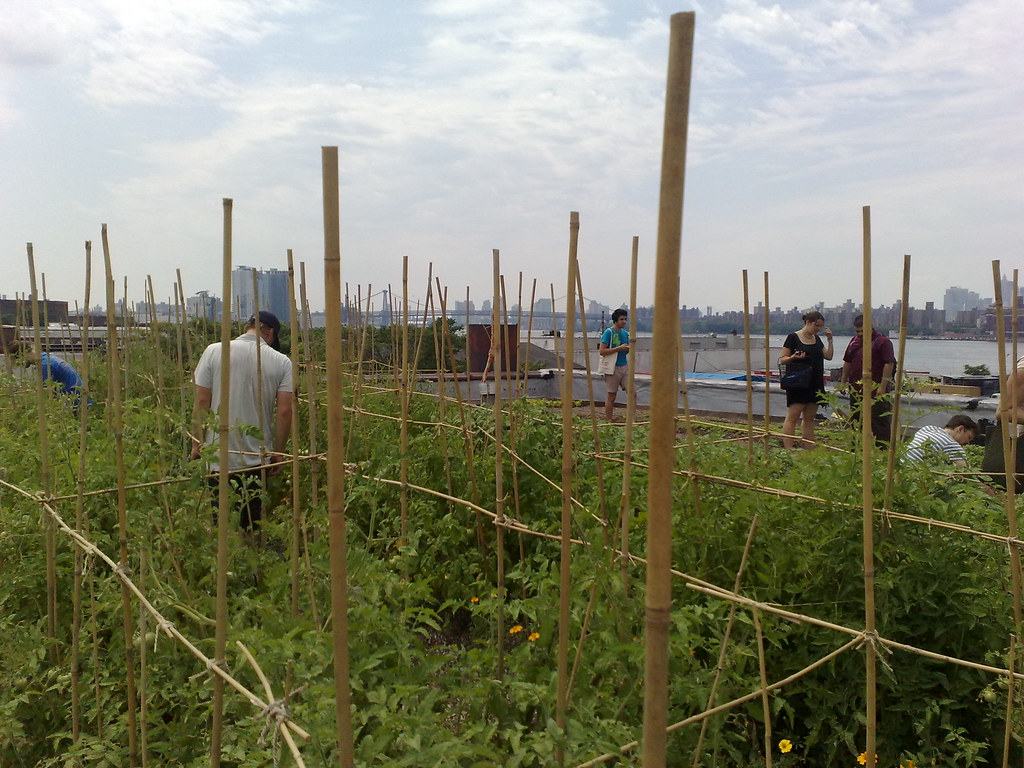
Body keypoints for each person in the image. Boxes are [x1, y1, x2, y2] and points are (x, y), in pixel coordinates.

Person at [191, 311, 293, 531]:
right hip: (257, 456)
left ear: (248, 327)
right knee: (251, 523)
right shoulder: (282, 361)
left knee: (220, 522)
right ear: (271, 333)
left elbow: (201, 401)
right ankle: (252, 559)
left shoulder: (213, 351)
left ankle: (223, 562)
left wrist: (196, 442)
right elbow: (285, 410)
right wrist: (279, 453)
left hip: (218, 453)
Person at [840, 315, 897, 445]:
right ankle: (857, 450)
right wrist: (843, 382)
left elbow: (889, 364)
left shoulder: (883, 342)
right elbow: (847, 361)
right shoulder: (854, 342)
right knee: (857, 421)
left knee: (880, 422)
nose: (860, 334)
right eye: (857, 331)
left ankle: (882, 451)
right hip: (856, 388)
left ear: (871, 327)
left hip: (876, 390)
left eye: (862, 331)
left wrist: (883, 386)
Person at [780, 311, 833, 448]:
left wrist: (830, 340)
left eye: (820, 326)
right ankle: (788, 448)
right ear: (808, 322)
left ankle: (809, 448)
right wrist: (793, 358)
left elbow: (828, 356)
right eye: (816, 325)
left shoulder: (817, 339)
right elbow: (783, 359)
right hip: (798, 383)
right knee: (793, 417)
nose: (818, 329)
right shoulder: (793, 337)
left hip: (815, 383)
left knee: (809, 419)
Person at [8, 341, 91, 407]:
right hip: (80, 400)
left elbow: (47, 394)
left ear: (22, 355)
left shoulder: (45, 365)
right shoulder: (47, 358)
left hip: (76, 404)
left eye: (17, 360)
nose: (18, 364)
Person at [903, 415, 978, 468]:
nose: (968, 442)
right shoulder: (952, 444)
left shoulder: (927, 428)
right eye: (969, 437)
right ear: (960, 429)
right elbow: (967, 474)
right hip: (912, 476)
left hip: (897, 470)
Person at [599, 308, 631, 421]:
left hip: (624, 366)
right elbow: (602, 351)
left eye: (625, 319)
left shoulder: (626, 334)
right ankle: (608, 419)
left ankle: (631, 419)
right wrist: (619, 348)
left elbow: (626, 351)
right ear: (615, 320)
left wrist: (627, 349)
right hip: (612, 368)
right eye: (621, 319)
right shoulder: (609, 332)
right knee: (611, 396)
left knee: (632, 393)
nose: (624, 322)